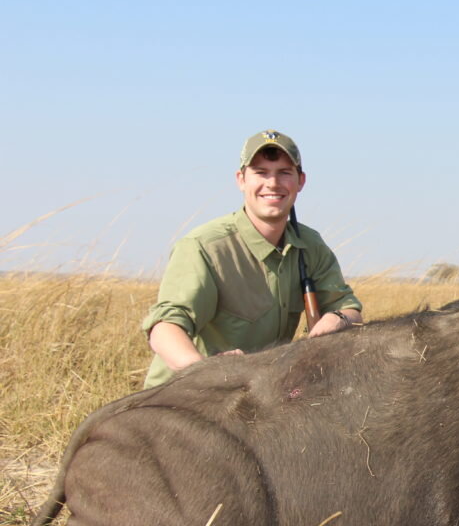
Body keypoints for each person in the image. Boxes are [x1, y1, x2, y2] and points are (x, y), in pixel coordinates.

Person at [141, 130, 362, 388]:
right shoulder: (204, 246)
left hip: (258, 392)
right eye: (261, 172)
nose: (272, 183)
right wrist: (206, 371)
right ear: (241, 180)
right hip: (186, 396)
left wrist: (337, 319)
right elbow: (164, 329)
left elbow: (350, 308)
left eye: (284, 172)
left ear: (300, 181)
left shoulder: (310, 246)